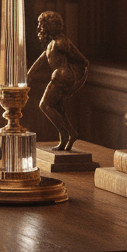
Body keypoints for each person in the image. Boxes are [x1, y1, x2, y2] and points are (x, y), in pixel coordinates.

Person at [27, 10, 88, 152]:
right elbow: (43, 57)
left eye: (42, 25)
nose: (39, 29)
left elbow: (83, 62)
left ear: (50, 25)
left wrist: (77, 84)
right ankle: (67, 136)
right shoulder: (52, 43)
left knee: (44, 105)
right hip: (59, 77)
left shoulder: (62, 43)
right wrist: (30, 72)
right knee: (59, 108)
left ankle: (68, 133)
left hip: (62, 78)